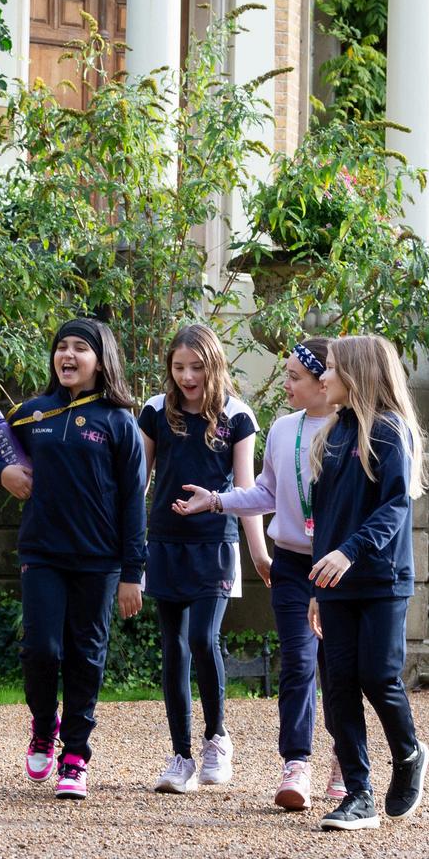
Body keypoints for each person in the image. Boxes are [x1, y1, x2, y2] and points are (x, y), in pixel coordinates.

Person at [175, 336, 347, 812]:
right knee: (297, 661)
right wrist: (216, 500)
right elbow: (266, 492)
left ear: (323, 382)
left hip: (339, 566)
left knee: (338, 667)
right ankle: (296, 763)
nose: (285, 384)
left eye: (294, 377)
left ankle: (344, 754)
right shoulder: (284, 430)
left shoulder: (353, 431)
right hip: (292, 562)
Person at [0, 317, 146, 801]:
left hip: (100, 558)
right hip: (42, 552)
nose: (67, 355)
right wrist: (3, 473)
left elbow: (134, 502)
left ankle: (75, 756)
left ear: (101, 360)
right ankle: (42, 726)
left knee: (86, 655)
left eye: (80, 348)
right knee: (41, 649)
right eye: (61, 347)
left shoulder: (120, 421)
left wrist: (133, 572)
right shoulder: (30, 413)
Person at [303, 334, 429, 831]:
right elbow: (326, 519)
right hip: (336, 585)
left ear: (357, 374)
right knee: (338, 687)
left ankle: (409, 752)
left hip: (381, 579)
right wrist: (319, 586)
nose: (323, 376)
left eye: (332, 368)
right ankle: (359, 795)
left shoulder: (389, 430)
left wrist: (350, 552)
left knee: (377, 676)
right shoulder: (332, 433)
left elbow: (395, 506)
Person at [136, 325, 266, 794]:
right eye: (179, 367)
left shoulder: (237, 416)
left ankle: (217, 738)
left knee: (202, 638)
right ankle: (181, 756)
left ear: (214, 366)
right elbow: (139, 482)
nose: (187, 376)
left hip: (215, 543)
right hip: (165, 543)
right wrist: (127, 542)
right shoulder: (155, 410)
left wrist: (260, 553)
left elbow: (248, 491)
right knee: (174, 646)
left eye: (196, 367)